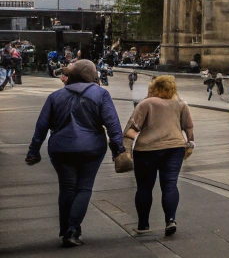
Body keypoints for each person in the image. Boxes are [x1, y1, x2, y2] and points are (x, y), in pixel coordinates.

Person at [25, 59, 125, 247]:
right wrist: (118, 147)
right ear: (93, 76)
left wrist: (34, 151)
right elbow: (112, 123)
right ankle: (72, 229)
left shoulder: (55, 96)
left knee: (67, 188)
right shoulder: (101, 94)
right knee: (84, 188)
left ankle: (67, 229)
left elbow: (42, 126)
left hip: (61, 148)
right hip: (92, 148)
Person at [124, 75, 194, 237]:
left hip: (146, 150)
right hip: (174, 148)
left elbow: (131, 130)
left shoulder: (146, 104)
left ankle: (143, 224)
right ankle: (170, 220)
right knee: (170, 184)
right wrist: (190, 143)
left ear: (155, 88)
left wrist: (129, 147)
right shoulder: (180, 104)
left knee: (144, 187)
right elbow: (188, 126)